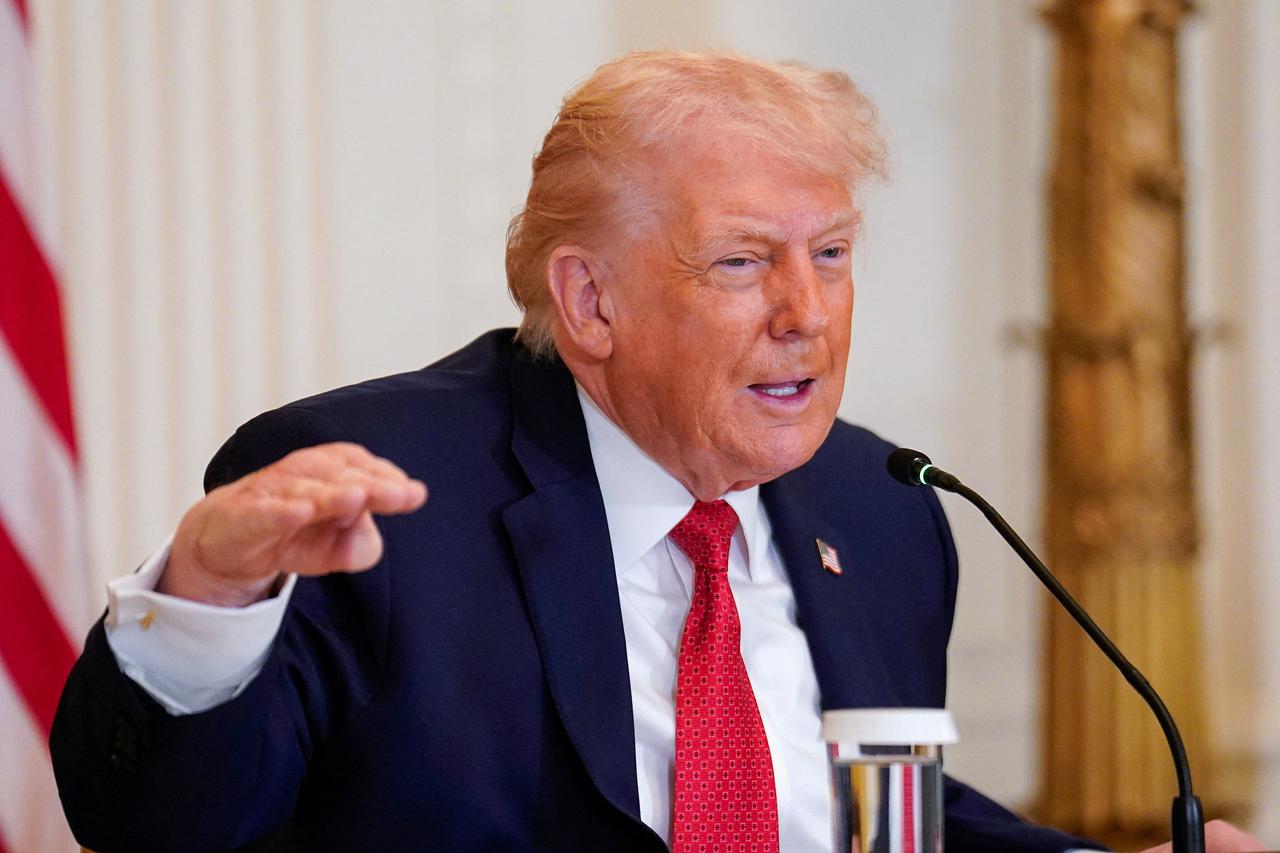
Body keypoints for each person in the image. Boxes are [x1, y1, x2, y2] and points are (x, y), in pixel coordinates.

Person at [51, 51, 1261, 853]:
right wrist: (205, 598)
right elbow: (163, 826)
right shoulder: (374, 493)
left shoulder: (881, 504)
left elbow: (870, 810)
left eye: (829, 253)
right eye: (741, 261)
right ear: (588, 302)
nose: (808, 312)